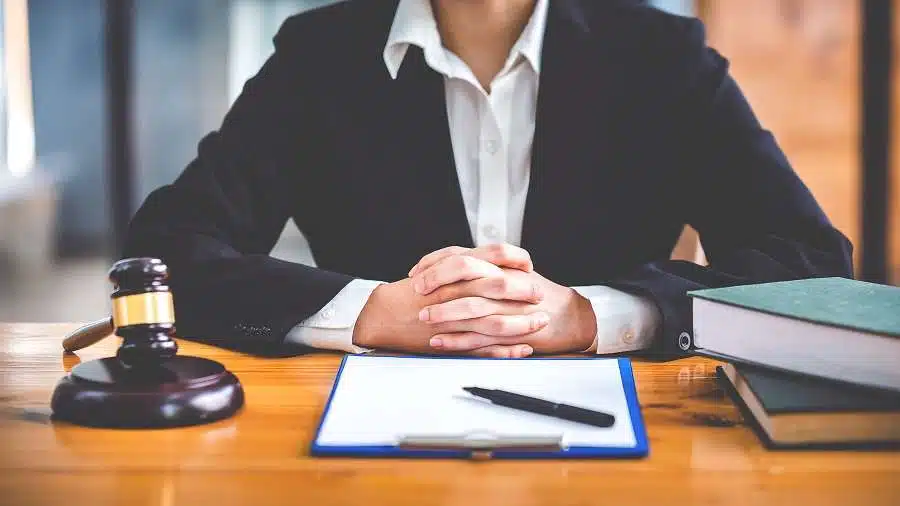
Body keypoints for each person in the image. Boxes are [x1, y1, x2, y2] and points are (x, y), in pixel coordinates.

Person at [122, 0, 853, 359]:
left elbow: (810, 264)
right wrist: (370, 311)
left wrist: (593, 316)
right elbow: (165, 254)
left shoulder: (662, 56)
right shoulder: (321, 54)